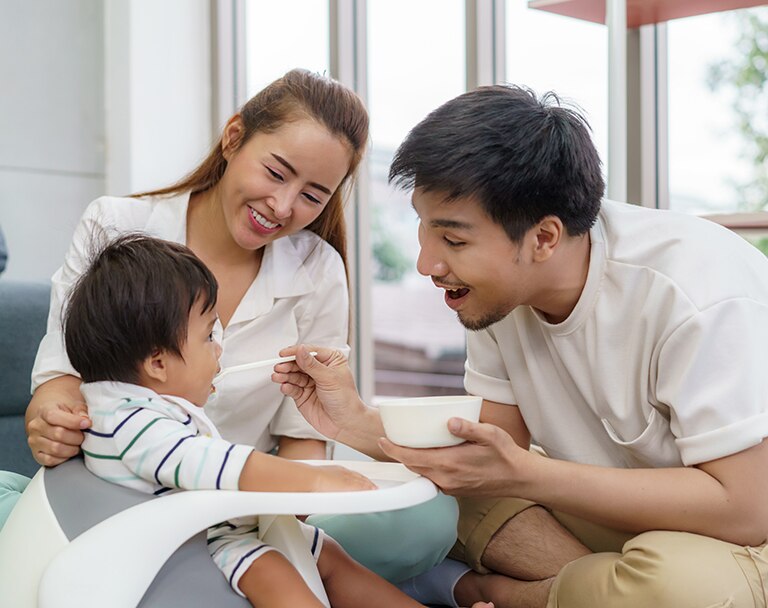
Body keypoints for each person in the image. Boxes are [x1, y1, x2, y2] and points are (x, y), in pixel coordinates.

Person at [274, 84, 768, 608]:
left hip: (733, 534)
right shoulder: (496, 295)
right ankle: (588, 589)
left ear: (545, 238)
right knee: (435, 497)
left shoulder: (696, 293)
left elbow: (745, 508)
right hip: (606, 518)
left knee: (679, 590)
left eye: (454, 240)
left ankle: (488, 591)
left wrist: (528, 473)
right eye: (424, 229)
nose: (426, 264)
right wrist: (353, 421)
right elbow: (489, 449)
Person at [22, 68, 456, 583]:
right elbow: (62, 377)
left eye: (313, 195)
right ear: (233, 138)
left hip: (247, 507)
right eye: (275, 173)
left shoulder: (318, 269)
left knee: (425, 520)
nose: (282, 206)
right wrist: (53, 422)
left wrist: (275, 522)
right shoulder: (117, 227)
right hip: (120, 499)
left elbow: (302, 440)